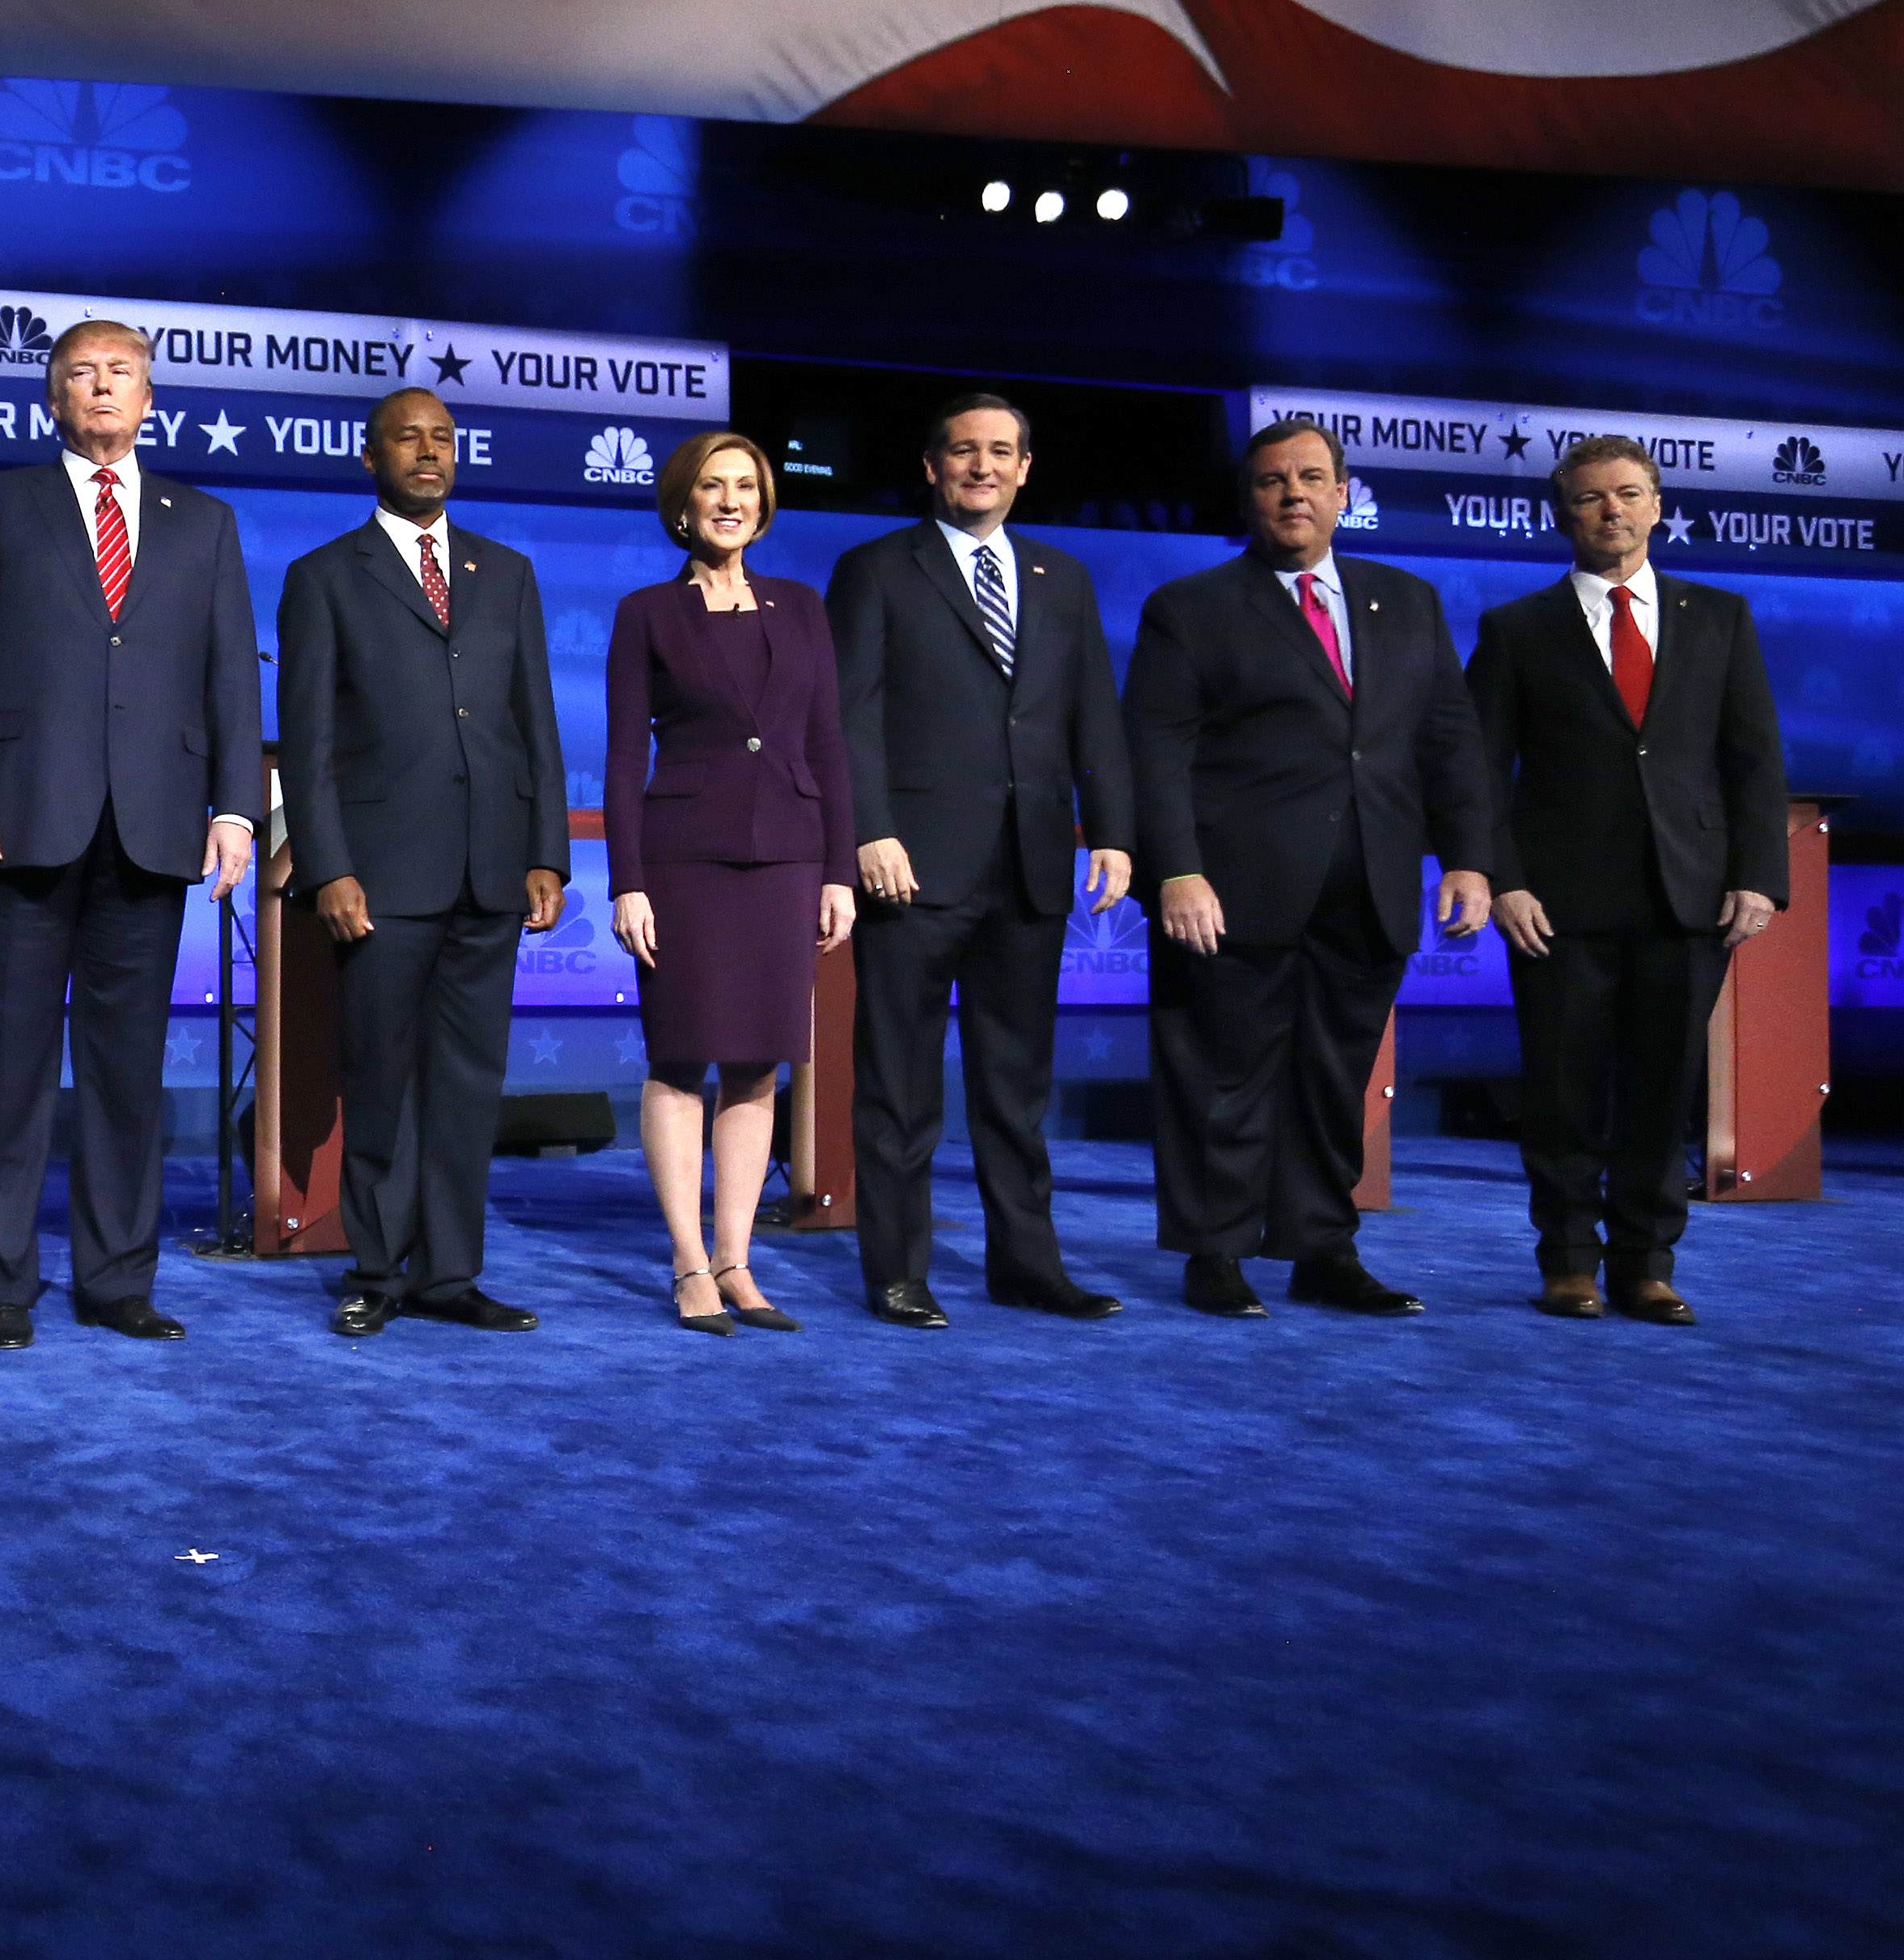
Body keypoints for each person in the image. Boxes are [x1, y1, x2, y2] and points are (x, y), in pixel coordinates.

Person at [0, 319, 261, 1347]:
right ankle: (4, 1287)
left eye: (120, 373)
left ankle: (118, 1280)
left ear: (150, 396)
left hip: (155, 829)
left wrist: (237, 806)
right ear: (52, 398)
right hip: (18, 823)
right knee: (11, 1069)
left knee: (126, 1073)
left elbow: (232, 675)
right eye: (80, 373)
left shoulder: (203, 520)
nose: (101, 388)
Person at [1127, 422, 1495, 1317]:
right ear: (1247, 499)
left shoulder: (1406, 601)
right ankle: (1215, 1252)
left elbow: (1450, 741)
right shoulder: (1191, 606)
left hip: (1365, 887)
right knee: (1221, 1078)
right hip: (1229, 892)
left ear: (1343, 492)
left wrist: (1471, 860)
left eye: (1311, 478)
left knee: (1334, 1082)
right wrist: (1176, 870)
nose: (1293, 493)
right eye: (1271, 481)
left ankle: (1320, 1247)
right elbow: (1156, 753)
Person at [825, 391, 1134, 1328]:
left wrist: (1114, 832)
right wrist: (870, 830)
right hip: (912, 869)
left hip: (1033, 867)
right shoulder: (877, 569)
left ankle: (1027, 1267)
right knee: (899, 1088)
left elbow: (1095, 717)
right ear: (932, 466)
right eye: (964, 451)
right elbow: (850, 717)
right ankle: (898, 1272)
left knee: (1016, 1091)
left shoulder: (1062, 577)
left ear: (1026, 467)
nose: (983, 467)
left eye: (1002, 452)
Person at [1467, 435, 1790, 1324]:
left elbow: (1754, 759)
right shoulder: (1515, 629)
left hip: (1687, 897)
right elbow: (1479, 771)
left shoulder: (1720, 617)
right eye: (1592, 499)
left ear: (1658, 505)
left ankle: (1648, 1265)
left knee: (1662, 1089)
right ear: (1561, 514)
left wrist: (1759, 876)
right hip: (1556, 904)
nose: (1613, 511)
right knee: (1565, 1090)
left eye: (1630, 494)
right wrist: (1501, 879)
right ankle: (1568, 1262)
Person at [272, 386, 568, 1338]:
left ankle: (450, 1274)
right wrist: (329, 867)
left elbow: (537, 727)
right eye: (408, 438)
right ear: (370, 458)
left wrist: (546, 854)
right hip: (381, 877)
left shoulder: (507, 571)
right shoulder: (324, 577)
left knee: (467, 1086)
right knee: (382, 1080)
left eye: (442, 438)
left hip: (492, 872)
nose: (428, 451)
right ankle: (374, 1268)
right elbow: (309, 740)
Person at [603, 432, 856, 1336]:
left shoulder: (803, 606)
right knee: (681, 1059)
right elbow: (626, 753)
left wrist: (838, 868)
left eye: (746, 485)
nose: (731, 499)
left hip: (788, 854)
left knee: (759, 1064)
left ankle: (739, 1260)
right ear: (682, 501)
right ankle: (687, 1264)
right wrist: (626, 882)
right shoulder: (647, 613)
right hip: (683, 859)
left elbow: (827, 741)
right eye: (713, 485)